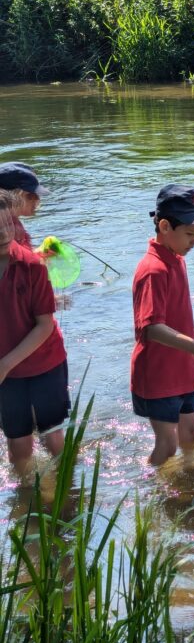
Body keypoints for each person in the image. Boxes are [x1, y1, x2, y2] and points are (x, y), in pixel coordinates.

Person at [131, 185, 194, 466]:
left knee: (191, 433)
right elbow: (151, 328)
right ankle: (151, 488)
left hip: (181, 367)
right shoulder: (153, 269)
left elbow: (177, 315)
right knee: (168, 445)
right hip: (157, 374)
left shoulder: (176, 259)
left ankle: (190, 481)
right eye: (190, 234)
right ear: (165, 226)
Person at [0, 190, 69, 469]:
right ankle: (25, 499)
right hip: (6, 372)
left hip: (44, 363)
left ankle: (66, 493)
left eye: (8, 224)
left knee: (52, 438)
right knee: (18, 446)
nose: (4, 233)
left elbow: (45, 325)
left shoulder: (33, 266)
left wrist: (4, 364)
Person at [0, 162, 50, 248]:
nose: (37, 199)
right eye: (30, 196)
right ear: (11, 197)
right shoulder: (6, 230)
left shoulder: (13, 222)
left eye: (37, 195)